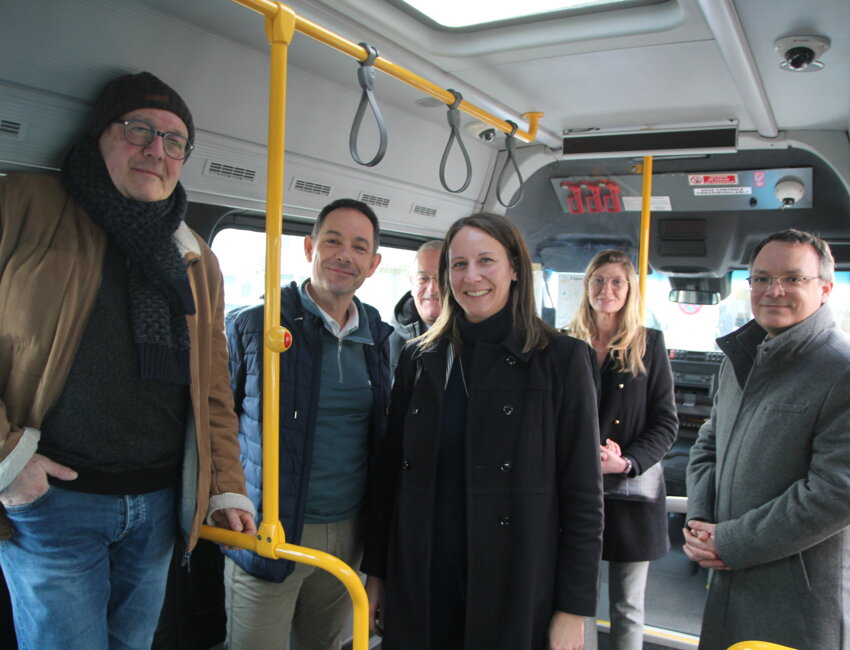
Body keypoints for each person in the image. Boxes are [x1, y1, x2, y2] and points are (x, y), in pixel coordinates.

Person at [0, 71, 256, 650]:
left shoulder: (194, 254)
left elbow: (212, 386)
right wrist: (9, 460)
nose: (155, 151)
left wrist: (224, 488)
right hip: (53, 502)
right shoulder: (23, 205)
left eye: (173, 142)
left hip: (159, 506)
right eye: (139, 129)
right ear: (99, 136)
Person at [363, 212, 604, 650]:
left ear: (514, 269)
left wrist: (574, 610)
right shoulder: (420, 358)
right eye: (458, 264)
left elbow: (583, 495)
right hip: (422, 574)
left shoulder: (562, 360)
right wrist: (377, 574)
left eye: (486, 261)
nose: (471, 276)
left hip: (514, 579)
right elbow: (389, 478)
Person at [223, 198, 393, 650]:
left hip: (349, 532)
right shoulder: (255, 326)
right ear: (308, 247)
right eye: (332, 241)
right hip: (269, 530)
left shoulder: (377, 336)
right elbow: (218, 418)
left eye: (359, 247)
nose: (344, 255)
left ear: (373, 264)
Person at [685, 229, 850, 649]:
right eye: (761, 278)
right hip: (726, 581)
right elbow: (708, 447)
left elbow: (835, 492)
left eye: (793, 278)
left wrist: (731, 541)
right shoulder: (740, 362)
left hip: (794, 600)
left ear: (826, 289)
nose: (773, 290)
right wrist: (702, 526)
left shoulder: (840, 372)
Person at [568, 250, 678, 650]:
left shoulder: (649, 344)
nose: (606, 289)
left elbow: (666, 423)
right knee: (574, 600)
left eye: (616, 281)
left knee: (627, 605)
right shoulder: (564, 342)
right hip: (576, 491)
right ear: (587, 286)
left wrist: (626, 462)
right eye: (598, 280)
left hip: (631, 494)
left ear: (629, 289)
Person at [389, 239, 443, 371]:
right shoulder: (387, 342)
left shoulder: (474, 340)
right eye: (423, 278)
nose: (432, 289)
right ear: (412, 284)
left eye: (441, 279)